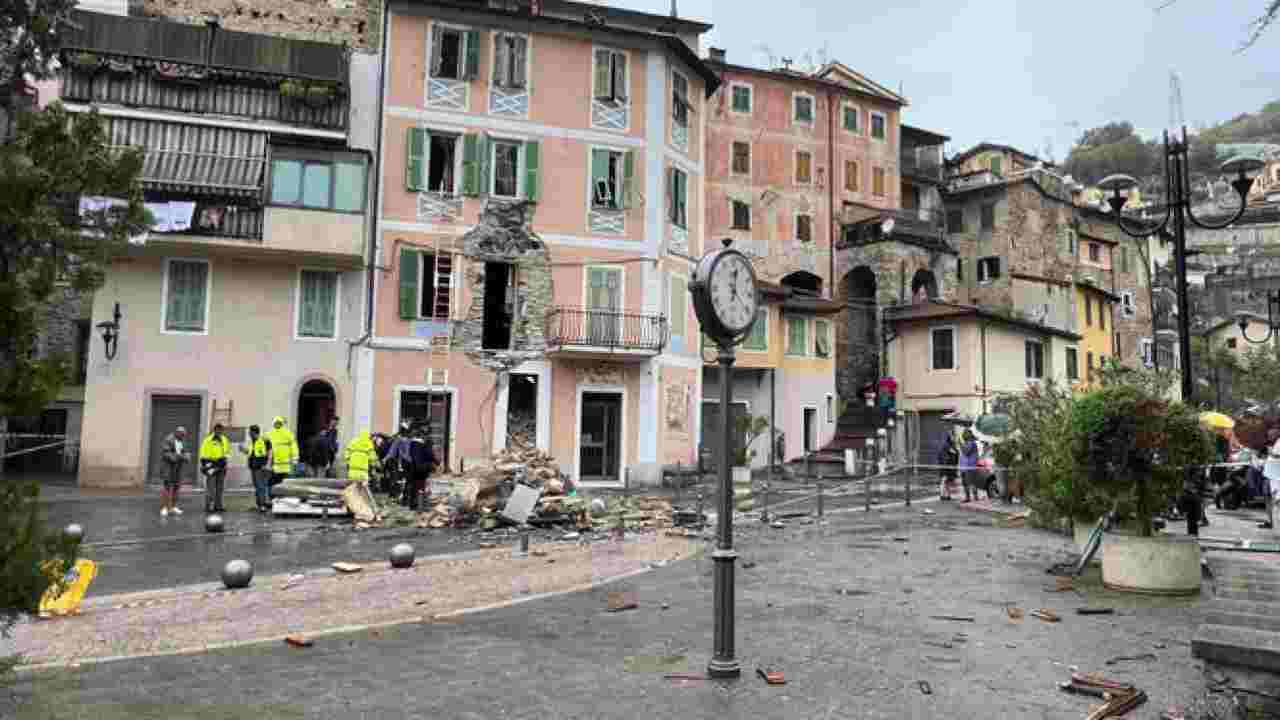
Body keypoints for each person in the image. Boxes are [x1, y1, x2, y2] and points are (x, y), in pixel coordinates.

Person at [238, 424, 273, 513]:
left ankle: (262, 505)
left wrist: (268, 464)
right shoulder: (252, 441)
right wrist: (243, 450)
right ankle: (259, 505)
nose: (249, 434)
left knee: (261, 487)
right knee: (257, 486)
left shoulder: (264, 440)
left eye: (250, 432)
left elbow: (270, 452)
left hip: (261, 467)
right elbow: (251, 453)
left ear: (254, 432)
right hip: (253, 467)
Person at [402, 427, 437, 511]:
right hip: (421, 468)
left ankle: (414, 505)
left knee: (414, 487)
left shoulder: (413, 444)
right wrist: (435, 462)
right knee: (420, 487)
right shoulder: (422, 444)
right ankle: (419, 506)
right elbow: (429, 455)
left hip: (415, 468)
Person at [199, 423, 231, 513]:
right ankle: (208, 506)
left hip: (221, 466)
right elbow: (203, 455)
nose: (219, 432)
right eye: (218, 430)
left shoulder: (225, 440)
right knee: (211, 488)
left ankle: (218, 506)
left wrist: (225, 462)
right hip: (211, 466)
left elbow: (227, 452)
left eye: (221, 431)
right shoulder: (208, 440)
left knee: (220, 488)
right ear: (214, 430)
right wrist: (207, 465)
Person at [159, 426, 190, 517]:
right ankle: (164, 508)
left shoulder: (182, 441)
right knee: (167, 487)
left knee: (177, 487)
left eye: (184, 435)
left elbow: (184, 452)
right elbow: (166, 453)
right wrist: (179, 457)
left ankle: (173, 506)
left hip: (178, 468)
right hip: (168, 468)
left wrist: (187, 456)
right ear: (177, 433)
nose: (183, 437)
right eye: (182, 435)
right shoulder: (169, 439)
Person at [265, 416, 298, 490]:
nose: (277, 425)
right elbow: (265, 446)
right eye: (276, 423)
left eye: (279, 423)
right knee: (272, 483)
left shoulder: (288, 433)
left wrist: (295, 459)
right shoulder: (269, 434)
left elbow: (294, 446)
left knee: (284, 484)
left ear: (282, 424)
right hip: (274, 465)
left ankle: (281, 496)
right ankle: (272, 496)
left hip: (286, 466)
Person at [959, 429, 980, 503]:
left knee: (971, 482)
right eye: (963, 433)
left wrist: (960, 444)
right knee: (965, 483)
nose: (963, 435)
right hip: (964, 467)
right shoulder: (966, 442)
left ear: (969, 435)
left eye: (965, 434)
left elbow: (966, 452)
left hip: (970, 466)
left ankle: (975, 497)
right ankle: (967, 497)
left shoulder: (972, 443)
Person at [938, 433, 959, 501]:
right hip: (946, 466)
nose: (954, 438)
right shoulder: (947, 445)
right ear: (950, 438)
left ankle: (947, 495)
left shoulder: (951, 445)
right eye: (953, 437)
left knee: (947, 481)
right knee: (944, 480)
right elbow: (954, 453)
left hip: (949, 466)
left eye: (954, 437)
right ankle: (942, 495)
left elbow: (955, 454)